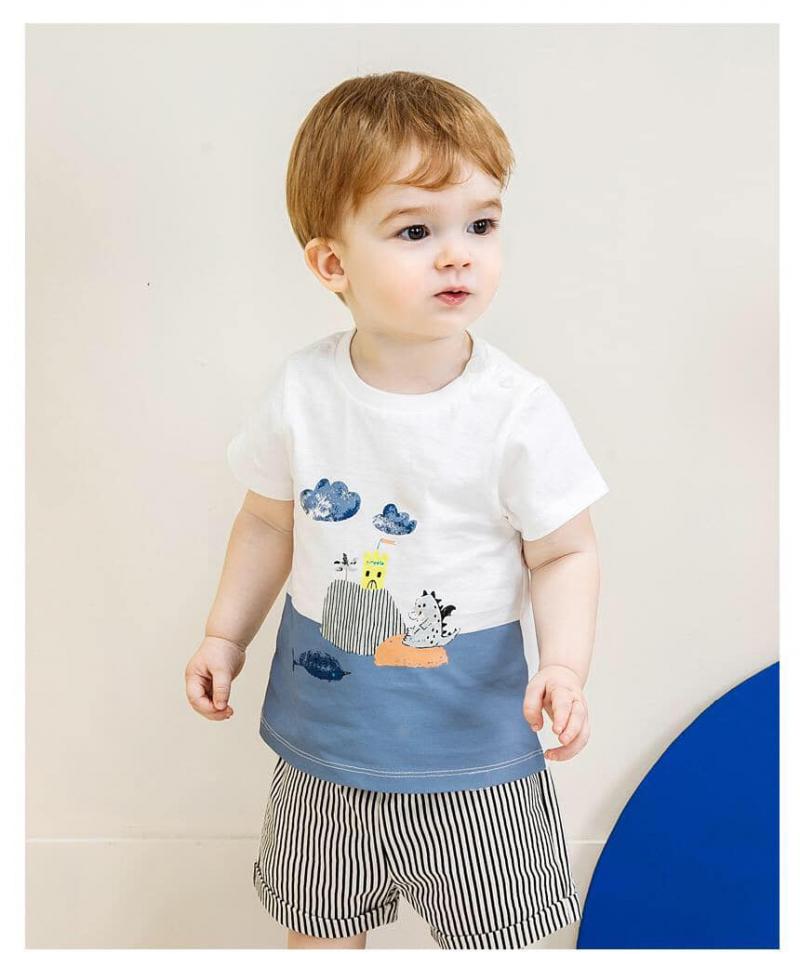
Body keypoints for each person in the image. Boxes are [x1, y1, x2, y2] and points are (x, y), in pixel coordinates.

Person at [184, 70, 610, 951]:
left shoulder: (516, 412)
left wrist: (565, 665)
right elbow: (267, 521)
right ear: (332, 263)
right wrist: (225, 634)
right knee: (320, 925)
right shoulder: (302, 392)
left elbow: (565, 551)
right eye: (416, 230)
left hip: (476, 757)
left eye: (480, 224)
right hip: (327, 749)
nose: (458, 254)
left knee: (498, 934)